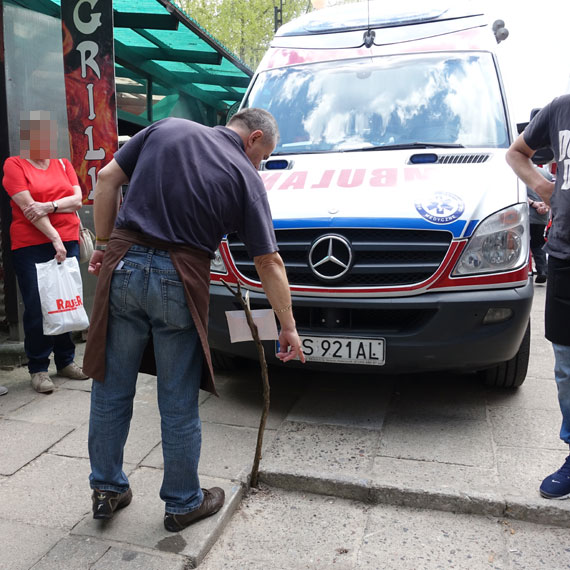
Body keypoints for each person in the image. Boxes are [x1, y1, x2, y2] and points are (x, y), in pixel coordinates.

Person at [83, 108, 305, 531]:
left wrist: (104, 244)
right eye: (263, 156)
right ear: (254, 138)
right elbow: (269, 260)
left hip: (123, 265)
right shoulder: (245, 174)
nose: (259, 164)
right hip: (180, 278)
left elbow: (107, 180)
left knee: (110, 386)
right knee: (178, 398)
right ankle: (183, 502)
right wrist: (288, 325)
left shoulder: (167, 127)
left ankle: (106, 489)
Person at [506, 94, 570, 500]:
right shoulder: (561, 108)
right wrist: (544, 187)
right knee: (565, 365)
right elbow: (517, 154)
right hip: (565, 254)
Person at [2, 111, 89, 394]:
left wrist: (50, 206)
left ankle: (65, 361)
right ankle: (38, 368)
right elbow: (28, 209)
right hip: (32, 244)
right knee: (39, 306)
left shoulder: (64, 164)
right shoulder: (15, 165)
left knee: (65, 301)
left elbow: (77, 199)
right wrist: (55, 238)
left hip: (68, 240)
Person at [527, 165, 552, 283]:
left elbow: (518, 192)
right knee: (538, 242)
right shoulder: (547, 174)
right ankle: (542, 270)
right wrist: (546, 205)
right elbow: (553, 192)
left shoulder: (522, 172)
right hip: (541, 216)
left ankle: (527, 272)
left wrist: (533, 204)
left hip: (527, 214)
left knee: (524, 243)